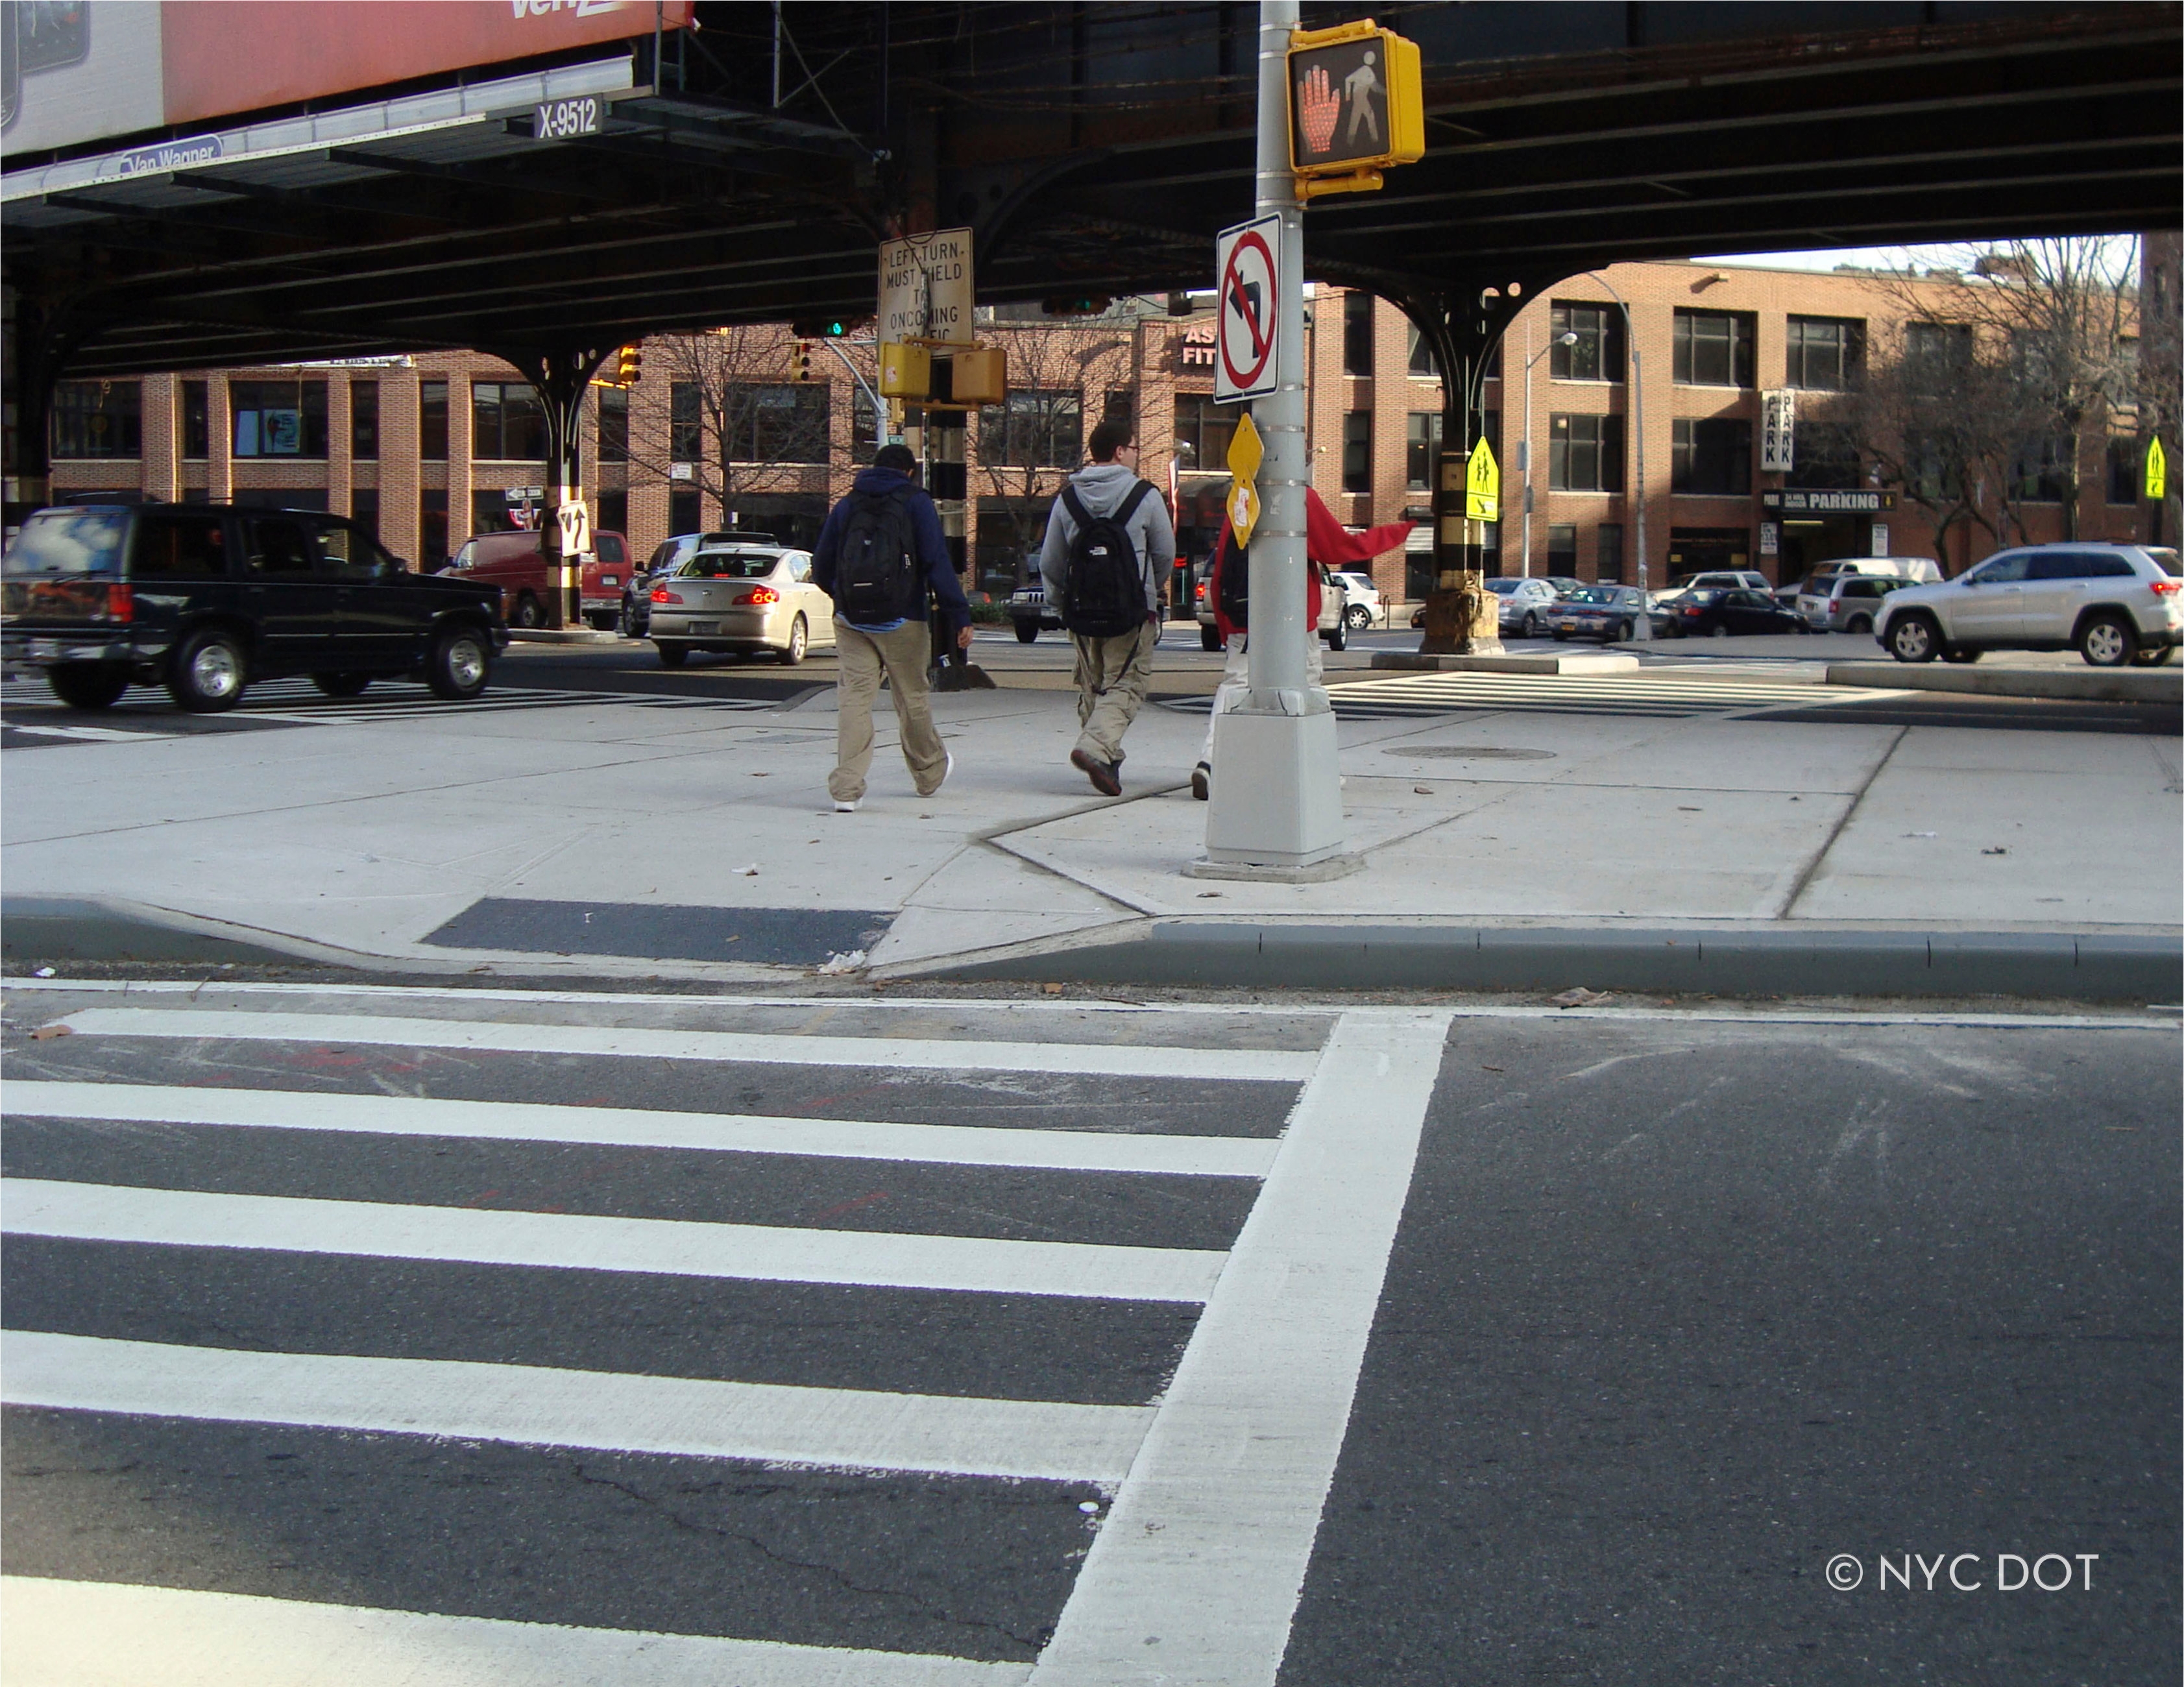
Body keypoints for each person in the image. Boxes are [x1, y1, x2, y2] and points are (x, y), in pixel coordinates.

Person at [1196, 486, 1411, 799]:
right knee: (1307, 689)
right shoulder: (1296, 494)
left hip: (1246, 615)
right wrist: (1400, 532)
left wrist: (1228, 627)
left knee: (1235, 686)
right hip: (1293, 620)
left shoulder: (1242, 494)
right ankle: (1314, 768)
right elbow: (1339, 548)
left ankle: (1211, 762)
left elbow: (1224, 567)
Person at [810, 443, 973, 812]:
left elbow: (821, 566)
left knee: (854, 700)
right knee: (911, 696)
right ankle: (929, 772)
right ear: (910, 472)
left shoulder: (848, 504)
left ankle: (847, 791)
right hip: (903, 617)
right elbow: (936, 561)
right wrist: (958, 614)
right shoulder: (915, 502)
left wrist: (844, 598)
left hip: (852, 621)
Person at [1039, 420, 1176, 796]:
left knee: (1093, 684)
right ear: (1119, 451)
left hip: (1082, 612)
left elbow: (1051, 561)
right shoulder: (1145, 496)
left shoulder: (1068, 499)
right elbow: (1165, 553)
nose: (1136, 454)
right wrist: (1150, 592)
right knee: (1126, 685)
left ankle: (1107, 762)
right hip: (1130, 612)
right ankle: (1094, 749)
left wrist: (1059, 604)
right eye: (1134, 447)